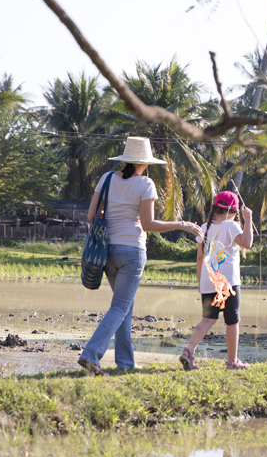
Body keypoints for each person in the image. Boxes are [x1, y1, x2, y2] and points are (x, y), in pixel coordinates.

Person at [78, 137, 202, 376]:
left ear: (125, 160)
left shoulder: (106, 179)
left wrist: (114, 208)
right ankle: (91, 354)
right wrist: (182, 224)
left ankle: (125, 362)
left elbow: (92, 215)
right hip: (132, 252)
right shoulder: (146, 184)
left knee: (125, 305)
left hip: (108, 252)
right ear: (144, 162)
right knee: (121, 305)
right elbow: (147, 224)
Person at [180, 191, 254, 370]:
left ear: (214, 208)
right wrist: (249, 219)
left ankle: (189, 350)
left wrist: (200, 282)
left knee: (207, 318)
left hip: (208, 280)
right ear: (234, 212)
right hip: (227, 282)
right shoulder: (231, 225)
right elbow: (247, 243)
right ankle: (232, 361)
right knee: (232, 321)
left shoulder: (204, 227)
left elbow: (199, 258)